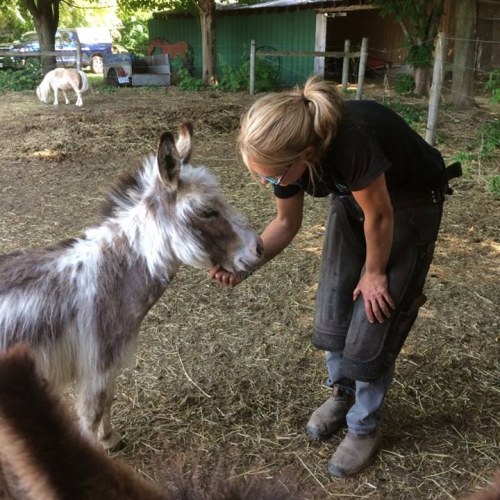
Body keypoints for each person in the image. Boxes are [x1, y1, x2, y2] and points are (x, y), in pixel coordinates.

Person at [209, 75, 461, 477]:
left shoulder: (351, 140)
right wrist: (243, 266)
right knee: (333, 304)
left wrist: (376, 272)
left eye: (271, 177)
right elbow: (285, 223)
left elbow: (379, 214)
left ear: (307, 155)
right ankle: (342, 393)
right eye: (259, 175)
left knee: (375, 313)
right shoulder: (288, 158)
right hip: (353, 197)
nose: (265, 183)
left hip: (409, 200)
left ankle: (364, 425)